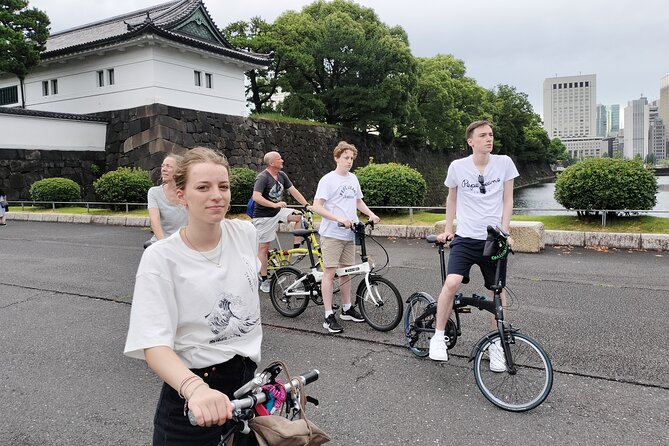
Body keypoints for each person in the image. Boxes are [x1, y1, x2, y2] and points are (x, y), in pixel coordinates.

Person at [124, 147, 262, 446]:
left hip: (247, 384)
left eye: (223, 186)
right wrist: (194, 388)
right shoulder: (162, 258)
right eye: (203, 187)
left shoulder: (245, 235)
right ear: (180, 195)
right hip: (194, 392)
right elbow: (153, 343)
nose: (217, 195)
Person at [428, 120, 519, 372]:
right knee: (452, 283)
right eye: (483, 135)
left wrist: (505, 232)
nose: (489, 139)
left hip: (493, 239)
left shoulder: (504, 163)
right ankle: (438, 336)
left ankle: (496, 345)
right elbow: (452, 197)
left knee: (497, 292)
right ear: (471, 141)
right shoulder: (458, 167)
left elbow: (508, 200)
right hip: (466, 238)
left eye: (491, 134)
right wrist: (448, 229)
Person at [311, 141, 380, 333]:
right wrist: (338, 218)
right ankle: (327, 315)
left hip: (349, 234)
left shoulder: (353, 179)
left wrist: (371, 214)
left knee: (347, 272)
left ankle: (347, 308)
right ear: (337, 158)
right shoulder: (328, 180)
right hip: (332, 234)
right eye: (346, 158)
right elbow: (317, 206)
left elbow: (358, 201)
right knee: (330, 273)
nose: (349, 161)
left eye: (351, 158)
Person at [251, 151, 310, 293]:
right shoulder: (263, 177)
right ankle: (263, 279)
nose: (282, 160)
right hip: (263, 216)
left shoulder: (282, 175)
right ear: (272, 163)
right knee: (263, 249)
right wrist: (274, 205)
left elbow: (294, 191)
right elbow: (256, 197)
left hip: (278, 211)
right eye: (279, 159)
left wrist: (306, 205)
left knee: (298, 216)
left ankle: (296, 249)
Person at [144, 154, 188, 248]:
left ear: (179, 171)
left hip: (185, 243)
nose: (163, 169)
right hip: (162, 243)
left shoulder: (189, 192)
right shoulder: (154, 192)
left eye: (168, 166)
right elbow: (154, 220)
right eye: (163, 166)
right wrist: (164, 245)